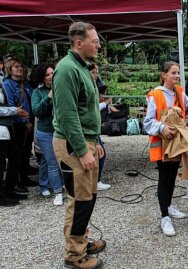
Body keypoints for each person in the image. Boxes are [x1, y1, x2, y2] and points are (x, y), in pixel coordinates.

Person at [52, 21, 105, 269]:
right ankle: (74, 255)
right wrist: (83, 150)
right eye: (94, 41)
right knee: (80, 200)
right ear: (78, 42)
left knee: (89, 197)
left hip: (86, 141)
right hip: (74, 144)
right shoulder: (66, 70)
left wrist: (94, 143)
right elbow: (67, 115)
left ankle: (81, 240)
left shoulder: (82, 67)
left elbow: (87, 109)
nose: (98, 45)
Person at [144, 61, 187, 236]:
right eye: (173, 73)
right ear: (164, 75)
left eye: (178, 73)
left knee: (172, 177)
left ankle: (168, 205)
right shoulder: (155, 94)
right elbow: (148, 121)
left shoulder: (181, 93)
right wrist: (162, 128)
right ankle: (164, 216)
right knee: (164, 178)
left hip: (176, 143)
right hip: (162, 144)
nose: (177, 76)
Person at [3, 58, 38, 195]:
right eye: (16, 67)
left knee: (26, 152)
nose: (20, 69)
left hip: (28, 122)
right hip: (17, 125)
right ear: (10, 69)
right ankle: (15, 182)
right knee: (16, 155)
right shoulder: (7, 85)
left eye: (21, 66)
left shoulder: (25, 84)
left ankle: (24, 178)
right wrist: (24, 121)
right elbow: (11, 106)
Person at [31, 64, 64, 206]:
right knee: (52, 163)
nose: (51, 76)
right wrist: (49, 97)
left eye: (53, 73)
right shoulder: (37, 93)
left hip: (61, 131)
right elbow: (36, 111)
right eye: (47, 75)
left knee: (54, 160)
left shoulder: (62, 89)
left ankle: (49, 185)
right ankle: (57, 192)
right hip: (46, 133)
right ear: (42, 78)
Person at [0, 81, 30, 206]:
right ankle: (1, 196)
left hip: (7, 128)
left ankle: (9, 190)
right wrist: (15, 110)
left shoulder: (1, 84)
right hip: (2, 129)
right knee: (1, 164)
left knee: (15, 158)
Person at [88, 63, 111, 191]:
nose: (96, 75)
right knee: (99, 153)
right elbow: (92, 108)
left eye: (97, 72)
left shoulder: (94, 86)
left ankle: (95, 180)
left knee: (99, 153)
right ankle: (94, 181)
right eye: (93, 72)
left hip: (93, 128)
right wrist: (105, 104)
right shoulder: (85, 88)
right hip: (88, 129)